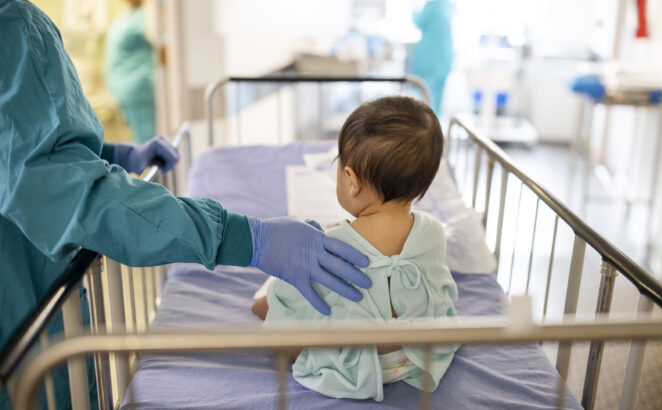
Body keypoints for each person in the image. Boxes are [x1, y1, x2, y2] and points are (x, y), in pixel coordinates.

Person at [0, 0, 370, 408]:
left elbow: (21, 149)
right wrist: (245, 237)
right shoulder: (11, 28)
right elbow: (65, 191)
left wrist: (112, 155)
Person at [253, 96, 458, 401]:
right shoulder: (431, 232)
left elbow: (295, 306)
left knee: (271, 306)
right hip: (412, 356)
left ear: (351, 180)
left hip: (352, 364)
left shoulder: (333, 244)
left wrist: (268, 303)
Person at [105, 0, 157, 143]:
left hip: (140, 93)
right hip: (128, 95)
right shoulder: (128, 17)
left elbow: (164, 46)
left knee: (148, 144)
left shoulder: (147, 17)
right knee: (141, 143)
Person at [410, 0, 454, 114]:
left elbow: (418, 21)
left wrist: (414, 9)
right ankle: (436, 125)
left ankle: (431, 127)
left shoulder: (433, 5)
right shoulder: (447, 4)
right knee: (437, 98)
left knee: (428, 97)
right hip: (444, 58)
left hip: (430, 59)